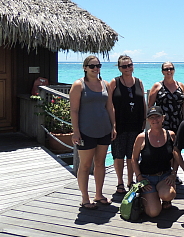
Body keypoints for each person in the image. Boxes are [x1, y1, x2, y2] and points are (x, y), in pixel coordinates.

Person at [69, 55, 116, 210]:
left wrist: (113, 126)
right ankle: (85, 198)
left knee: (100, 163)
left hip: (104, 129)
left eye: (98, 65)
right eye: (92, 66)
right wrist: (76, 131)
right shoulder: (78, 85)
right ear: (85, 68)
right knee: (85, 165)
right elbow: (74, 110)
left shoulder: (105, 84)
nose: (96, 68)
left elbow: (110, 107)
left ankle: (99, 194)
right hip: (85, 131)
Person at [109, 55, 146, 195]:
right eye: (124, 66)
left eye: (129, 65)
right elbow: (110, 105)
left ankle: (131, 181)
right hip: (119, 124)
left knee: (132, 155)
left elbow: (142, 102)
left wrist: (144, 120)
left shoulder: (139, 82)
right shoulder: (115, 82)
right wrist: (112, 125)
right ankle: (120, 182)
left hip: (136, 124)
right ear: (119, 68)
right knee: (118, 155)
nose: (127, 68)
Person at [132, 106, 177, 217]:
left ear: (163, 118)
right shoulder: (141, 137)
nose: (154, 120)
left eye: (157, 117)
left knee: (167, 194)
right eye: (151, 117)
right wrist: (139, 178)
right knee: (153, 213)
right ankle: (148, 198)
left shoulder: (171, 135)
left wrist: (173, 174)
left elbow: (177, 157)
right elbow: (134, 159)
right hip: (147, 179)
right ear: (148, 120)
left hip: (164, 176)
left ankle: (165, 199)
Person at [147, 62, 184, 132]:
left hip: (178, 122)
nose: (169, 71)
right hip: (162, 124)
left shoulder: (181, 86)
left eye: (171, 68)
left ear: (174, 70)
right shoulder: (157, 86)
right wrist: (152, 122)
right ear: (162, 72)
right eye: (166, 69)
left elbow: (183, 104)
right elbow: (150, 106)